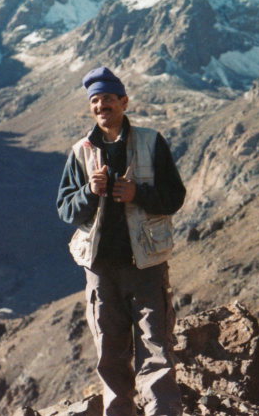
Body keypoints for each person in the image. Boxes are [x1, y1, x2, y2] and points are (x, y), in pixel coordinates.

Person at [57, 67, 186, 416]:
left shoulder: (150, 141)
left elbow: (174, 197)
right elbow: (66, 210)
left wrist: (137, 194)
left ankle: (163, 411)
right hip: (100, 268)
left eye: (109, 99)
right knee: (110, 350)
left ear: (124, 102)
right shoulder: (80, 151)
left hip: (144, 263)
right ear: (90, 108)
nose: (102, 106)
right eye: (95, 101)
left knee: (155, 346)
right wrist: (89, 191)